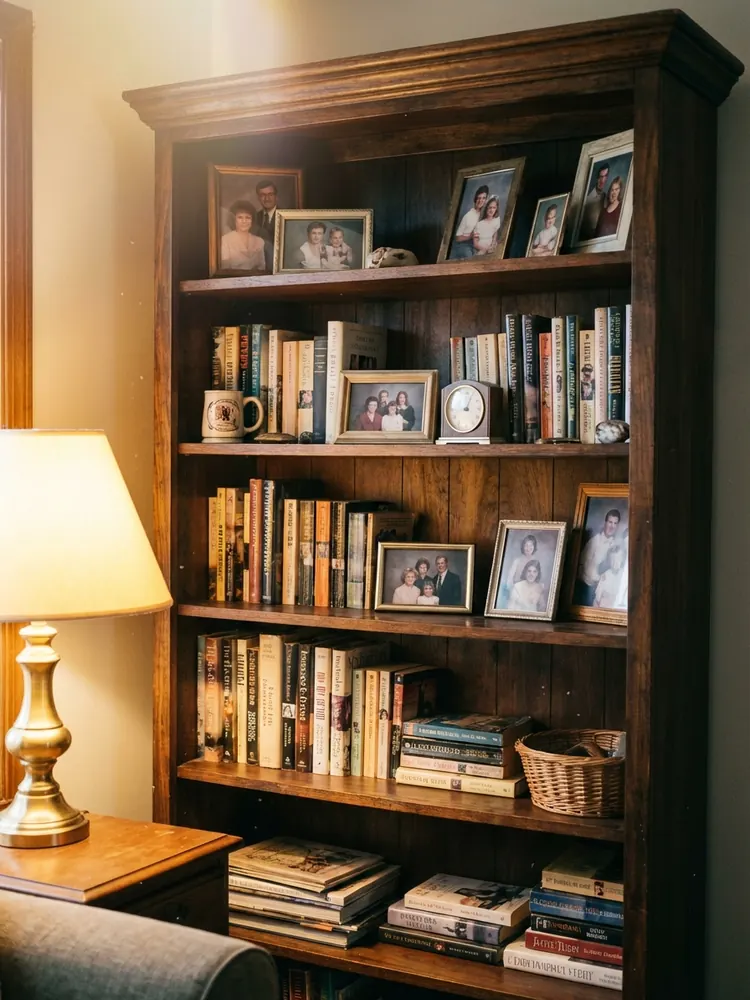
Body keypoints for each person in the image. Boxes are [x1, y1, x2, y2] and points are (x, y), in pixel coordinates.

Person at [574, 508, 622, 606]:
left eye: (615, 523)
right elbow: (582, 566)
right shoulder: (594, 541)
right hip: (587, 589)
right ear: (605, 522)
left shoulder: (616, 545)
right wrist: (599, 578)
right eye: (610, 522)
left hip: (604, 591)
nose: (612, 526)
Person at [221, 200, 266, 271]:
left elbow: (262, 268)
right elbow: (224, 270)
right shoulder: (225, 240)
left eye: (248, 217)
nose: (244, 221)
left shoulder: (259, 241)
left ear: (252, 220)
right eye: (240, 217)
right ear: (234, 220)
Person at [450, 184, 489, 259]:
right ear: (475, 199)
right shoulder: (468, 215)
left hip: (479, 243)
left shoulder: (485, 214)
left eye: (483, 198)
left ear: (486, 200)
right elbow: (458, 238)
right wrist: (470, 236)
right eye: (479, 198)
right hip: (465, 244)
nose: (481, 200)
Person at [501, 534, 537, 605]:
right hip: (517, 593)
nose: (528, 548)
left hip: (530, 595)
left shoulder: (536, 562)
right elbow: (510, 578)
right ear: (523, 547)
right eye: (526, 545)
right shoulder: (517, 561)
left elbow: (537, 580)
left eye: (531, 545)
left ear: (534, 547)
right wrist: (513, 592)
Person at [579, 161, 609, 241]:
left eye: (605, 176)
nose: (602, 180)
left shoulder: (606, 197)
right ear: (597, 178)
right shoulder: (588, 198)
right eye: (600, 177)